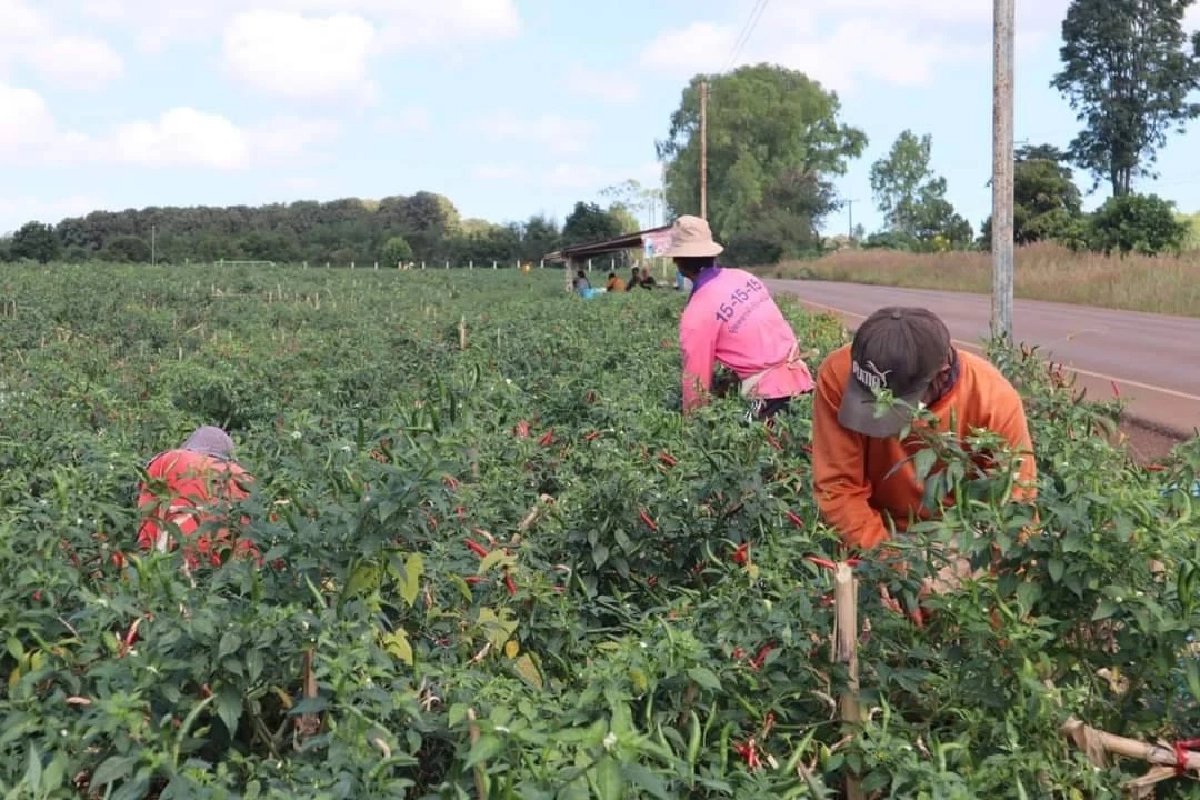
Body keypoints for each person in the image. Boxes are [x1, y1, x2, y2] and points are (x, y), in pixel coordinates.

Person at [811, 306, 1038, 554]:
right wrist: (887, 559)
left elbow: (1017, 506)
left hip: (959, 536)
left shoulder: (994, 401)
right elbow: (839, 487)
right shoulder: (839, 374)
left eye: (892, 406)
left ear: (940, 375)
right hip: (875, 526)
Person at [661, 215, 815, 420]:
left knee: (739, 435)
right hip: (804, 381)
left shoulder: (696, 313)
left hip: (769, 396)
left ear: (677, 262)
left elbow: (696, 383)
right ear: (712, 254)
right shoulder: (744, 277)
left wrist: (692, 429)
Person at [136, 426, 260, 570]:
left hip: (173, 555)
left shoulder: (170, 459)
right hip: (231, 565)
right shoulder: (244, 477)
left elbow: (147, 513)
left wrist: (145, 553)